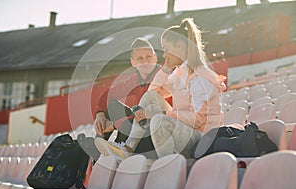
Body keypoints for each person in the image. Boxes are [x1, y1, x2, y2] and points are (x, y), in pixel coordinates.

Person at [95, 18, 226, 160]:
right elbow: (153, 93)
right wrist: (165, 70)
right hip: (185, 132)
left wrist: (159, 113)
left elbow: (198, 120)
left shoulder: (200, 77)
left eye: (166, 50)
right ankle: (127, 148)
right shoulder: (180, 73)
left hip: (203, 139)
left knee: (158, 120)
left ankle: (167, 164)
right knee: (150, 99)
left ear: (180, 47)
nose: (164, 55)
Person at [93, 37, 161, 157]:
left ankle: (117, 153)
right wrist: (100, 115)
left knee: (126, 123)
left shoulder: (163, 77)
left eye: (149, 57)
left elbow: (151, 114)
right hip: (139, 128)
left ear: (155, 58)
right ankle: (96, 155)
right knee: (113, 107)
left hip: (156, 133)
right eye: (140, 58)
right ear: (133, 62)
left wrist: (114, 124)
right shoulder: (135, 79)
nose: (145, 61)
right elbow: (107, 95)